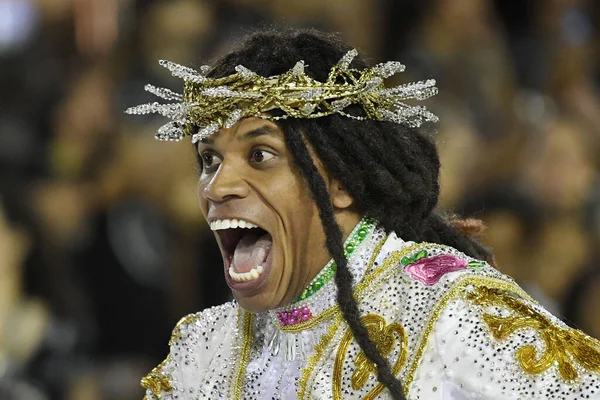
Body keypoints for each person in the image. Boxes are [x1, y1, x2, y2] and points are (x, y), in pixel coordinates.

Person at [126, 29, 600, 400]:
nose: (217, 186)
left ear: (341, 182)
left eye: (260, 156)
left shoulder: (452, 312)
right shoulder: (203, 350)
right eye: (209, 160)